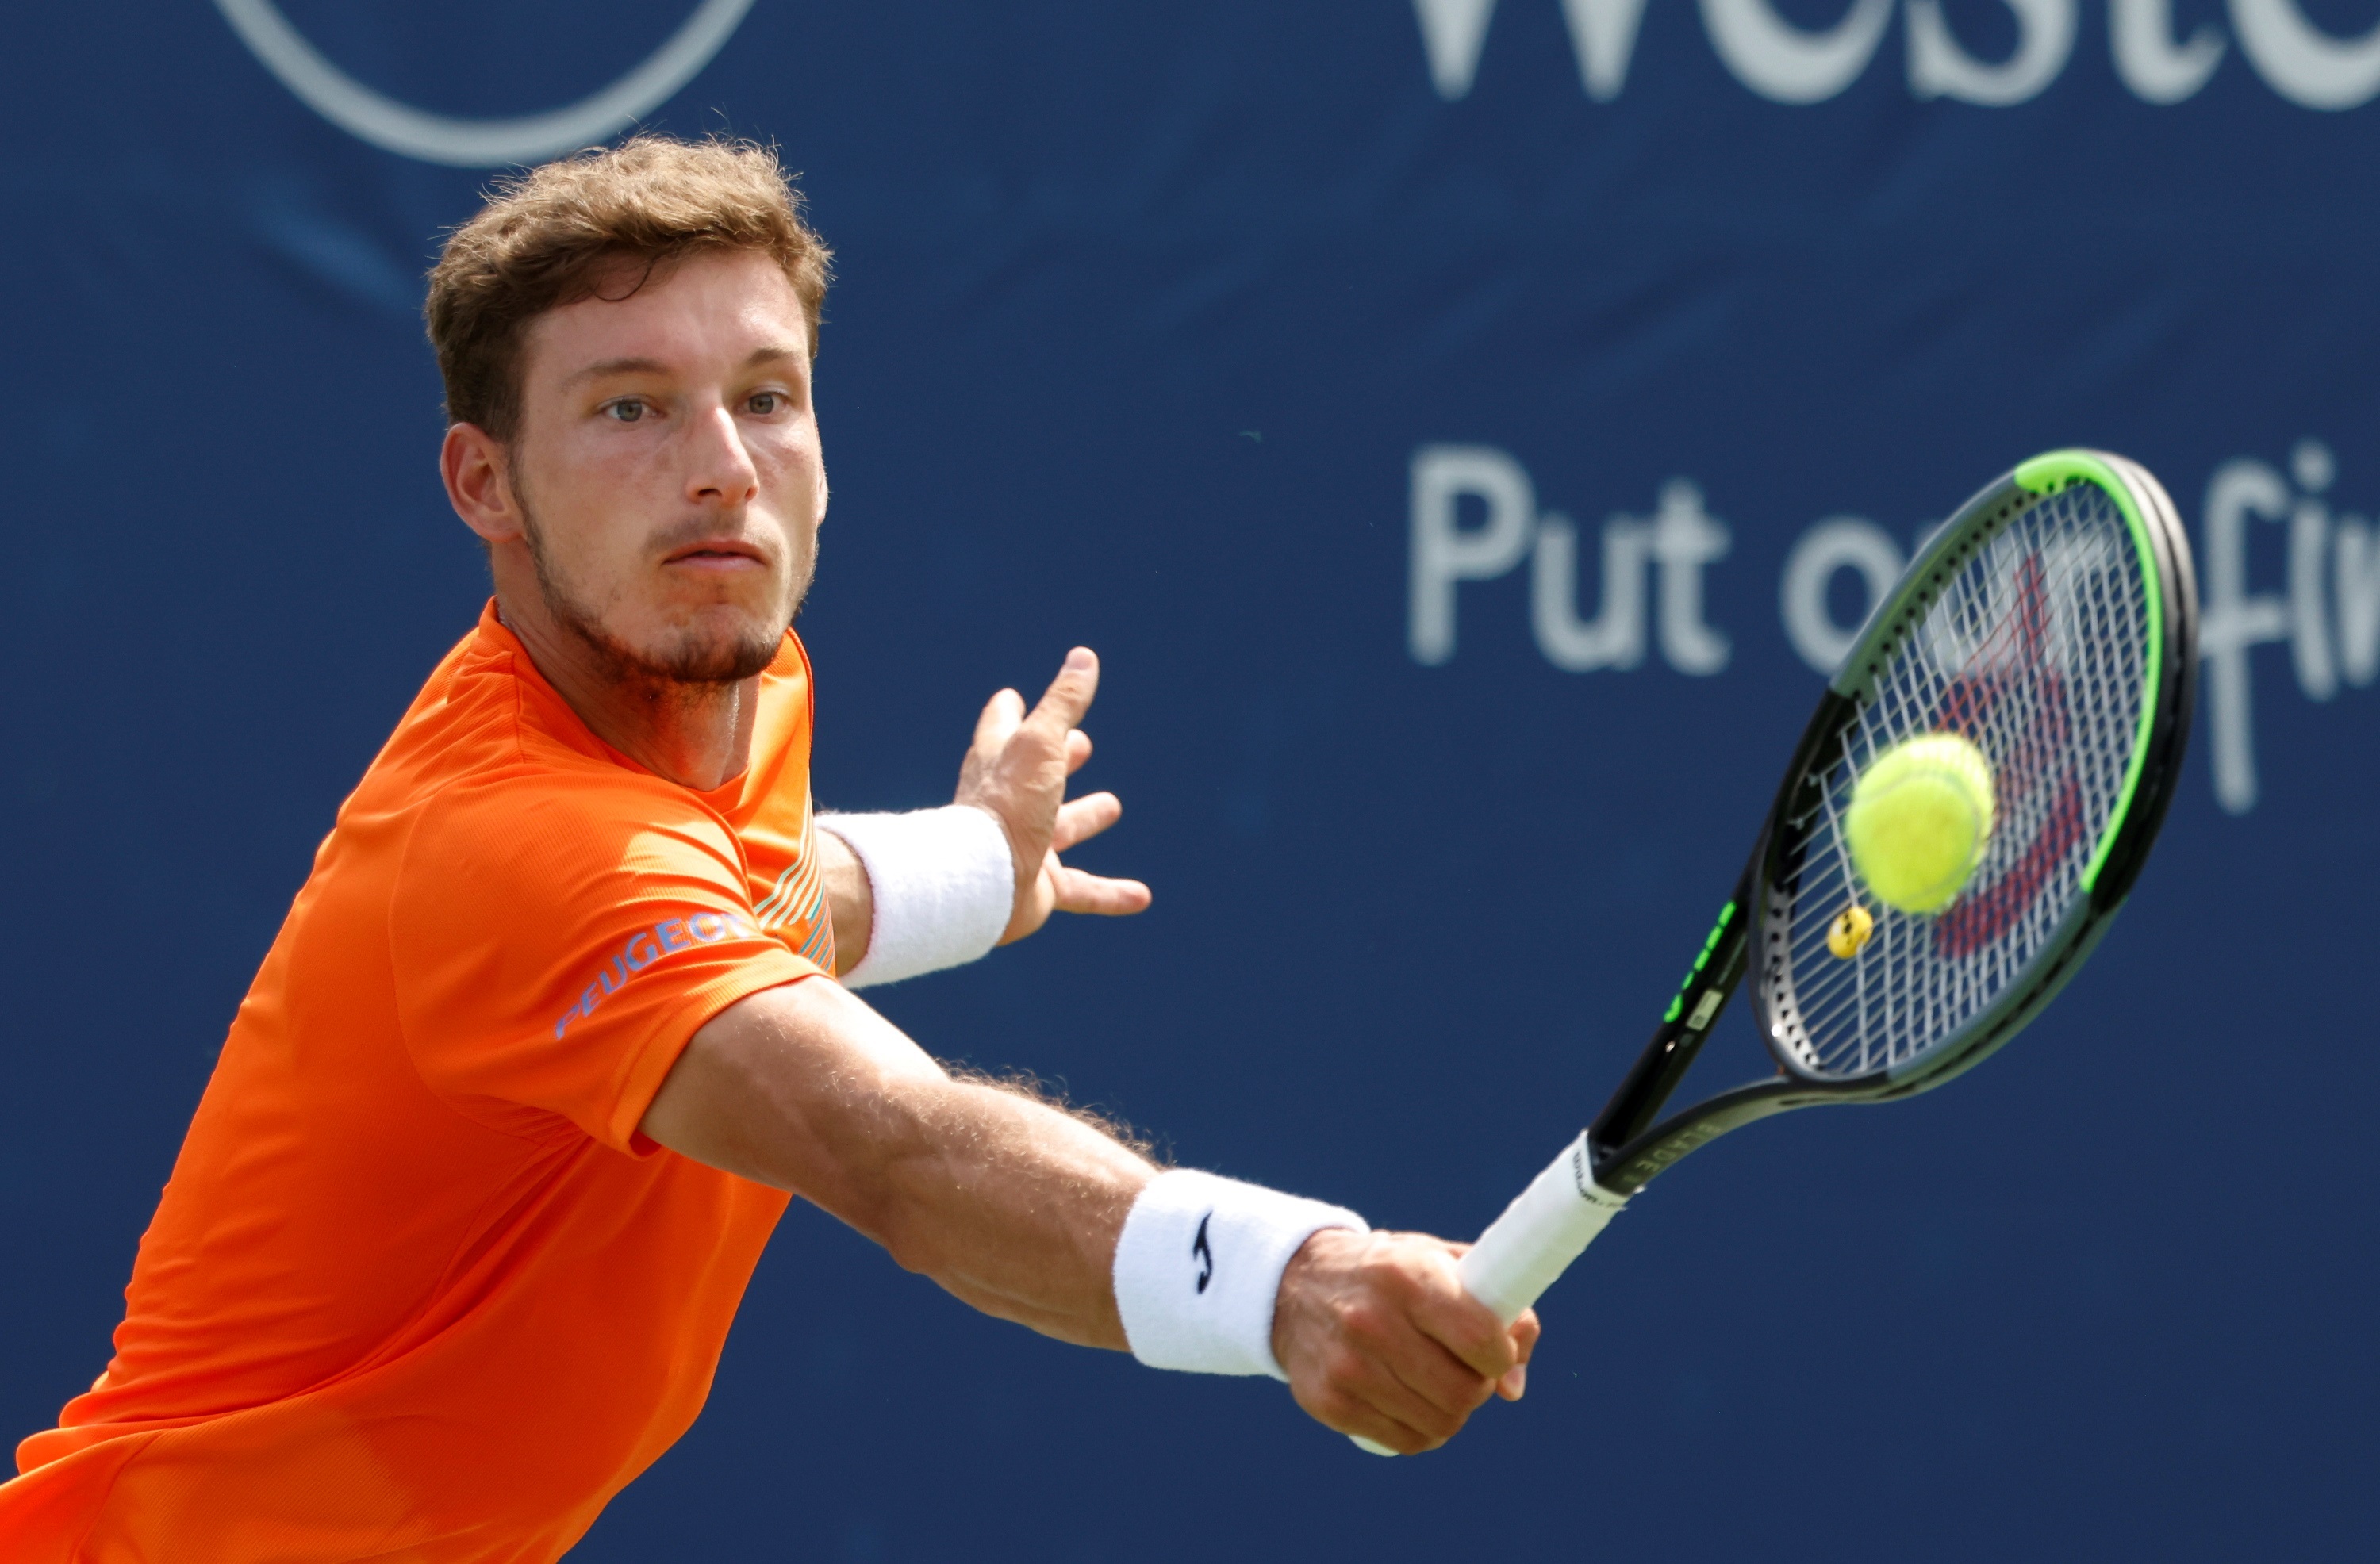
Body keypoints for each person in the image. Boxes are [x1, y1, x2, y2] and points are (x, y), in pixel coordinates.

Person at [0, 136, 1537, 1560]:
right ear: (486, 485)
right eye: (629, 406)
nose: (722, 463)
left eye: (768, 394)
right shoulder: (519, 845)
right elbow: (900, 1154)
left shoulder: (719, 676)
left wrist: (962, 865)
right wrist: (1284, 1276)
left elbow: (755, 886)